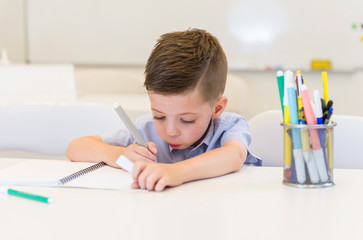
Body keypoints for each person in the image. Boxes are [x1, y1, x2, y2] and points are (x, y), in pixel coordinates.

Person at [66, 28, 261, 192]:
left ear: (217, 108)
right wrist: (119, 155)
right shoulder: (146, 129)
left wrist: (177, 172)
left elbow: (234, 156)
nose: (170, 131)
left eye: (186, 120)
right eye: (159, 116)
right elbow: (75, 147)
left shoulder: (229, 127)